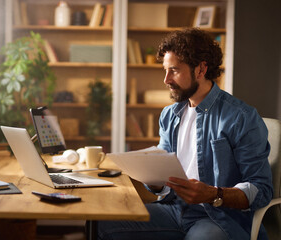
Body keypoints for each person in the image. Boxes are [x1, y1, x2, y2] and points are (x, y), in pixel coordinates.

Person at [97, 28, 273, 240]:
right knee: (102, 223)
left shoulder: (241, 117)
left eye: (174, 70)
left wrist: (213, 194)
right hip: (174, 209)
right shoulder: (170, 115)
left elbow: (261, 189)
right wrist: (154, 181)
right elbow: (161, 177)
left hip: (218, 216)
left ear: (200, 69)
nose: (166, 79)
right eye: (165, 70)